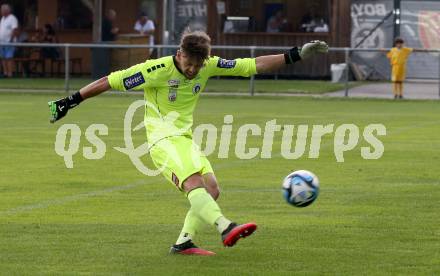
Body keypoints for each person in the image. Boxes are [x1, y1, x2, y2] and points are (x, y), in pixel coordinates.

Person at [48, 31, 328, 255]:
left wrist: (295, 55)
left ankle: (184, 243)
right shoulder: (154, 69)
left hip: (184, 138)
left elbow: (252, 65)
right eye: (188, 63)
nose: (193, 70)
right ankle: (225, 226)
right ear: (179, 54)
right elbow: (109, 81)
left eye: (197, 65)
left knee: (212, 189)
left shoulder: (207, 65)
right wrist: (71, 101)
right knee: (194, 183)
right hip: (162, 140)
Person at [0, 4, 18, 77]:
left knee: (9, 58)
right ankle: (5, 73)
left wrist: (11, 39)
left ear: (6, 10)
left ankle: (10, 74)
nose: (1, 11)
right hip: (1, 42)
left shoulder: (12, 18)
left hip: (9, 42)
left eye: (2, 10)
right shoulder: (2, 19)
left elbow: (15, 29)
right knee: (3, 58)